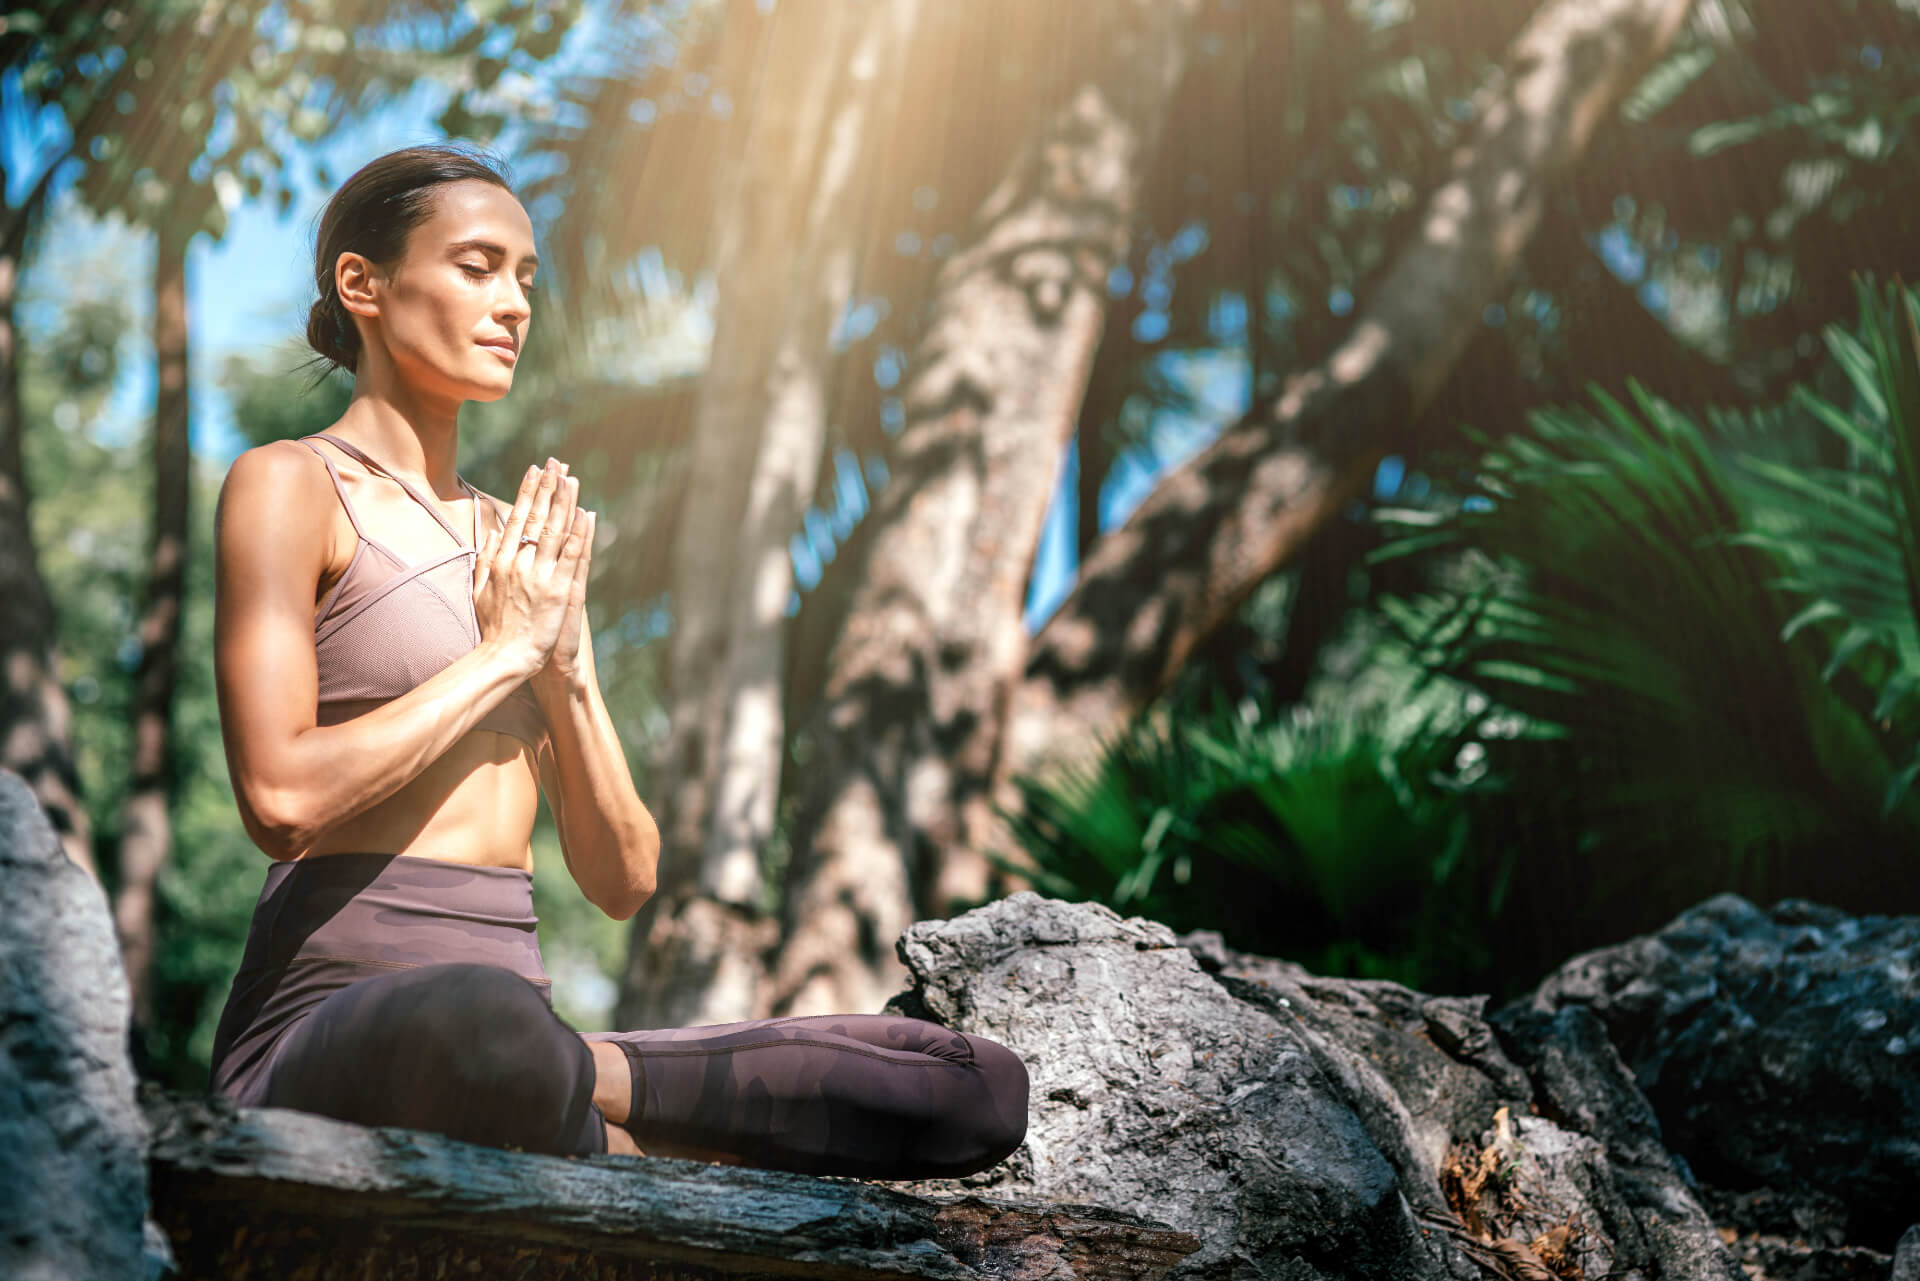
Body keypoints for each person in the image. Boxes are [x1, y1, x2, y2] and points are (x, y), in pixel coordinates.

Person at [207, 142, 1029, 1177]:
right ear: (361, 285)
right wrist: (504, 653)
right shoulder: (292, 485)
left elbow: (624, 877)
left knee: (969, 1084)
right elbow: (280, 798)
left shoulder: (529, 549)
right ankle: (628, 1131)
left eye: (526, 278)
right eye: (475, 266)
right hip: (332, 1030)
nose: (512, 304)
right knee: (481, 1023)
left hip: (527, 1039)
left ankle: (582, 1100)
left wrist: (562, 663)